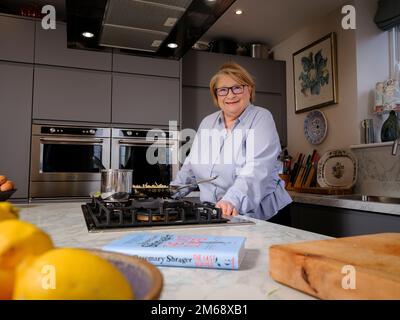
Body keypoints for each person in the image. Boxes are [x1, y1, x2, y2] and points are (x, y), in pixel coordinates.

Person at [171, 62, 292, 220]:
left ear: (249, 89)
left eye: (237, 87)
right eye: (223, 90)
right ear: (216, 96)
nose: (230, 95)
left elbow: (257, 169)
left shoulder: (261, 117)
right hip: (219, 213)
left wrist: (230, 201)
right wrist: (172, 192)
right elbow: (192, 165)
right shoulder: (208, 122)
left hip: (263, 214)